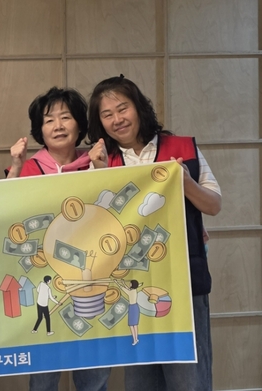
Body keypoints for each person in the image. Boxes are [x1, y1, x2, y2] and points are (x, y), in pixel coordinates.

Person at [88, 75, 221, 391]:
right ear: (99, 122)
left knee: (189, 379)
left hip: (184, 281)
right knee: (141, 380)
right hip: (132, 287)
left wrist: (186, 182)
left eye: (123, 108)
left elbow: (214, 205)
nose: (117, 119)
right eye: (107, 114)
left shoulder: (181, 148)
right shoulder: (103, 161)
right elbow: (97, 229)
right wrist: (101, 175)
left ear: (139, 107)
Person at [9, 87, 110, 391]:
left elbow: (113, 212)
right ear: (39, 130)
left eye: (66, 117)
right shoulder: (28, 168)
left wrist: (101, 170)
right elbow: (6, 214)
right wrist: (15, 167)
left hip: (91, 277)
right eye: (49, 120)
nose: (58, 126)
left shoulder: (96, 162)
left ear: (80, 124)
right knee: (43, 378)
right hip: (44, 277)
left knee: (94, 375)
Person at [118, 280, 140, 346]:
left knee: (131, 325)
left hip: (132, 308)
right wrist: (123, 283)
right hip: (135, 307)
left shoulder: (131, 292)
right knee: (135, 324)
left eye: (130, 283)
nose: (129, 284)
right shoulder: (134, 290)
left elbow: (124, 289)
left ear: (132, 284)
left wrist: (117, 283)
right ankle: (136, 338)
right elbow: (128, 289)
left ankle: (134, 340)